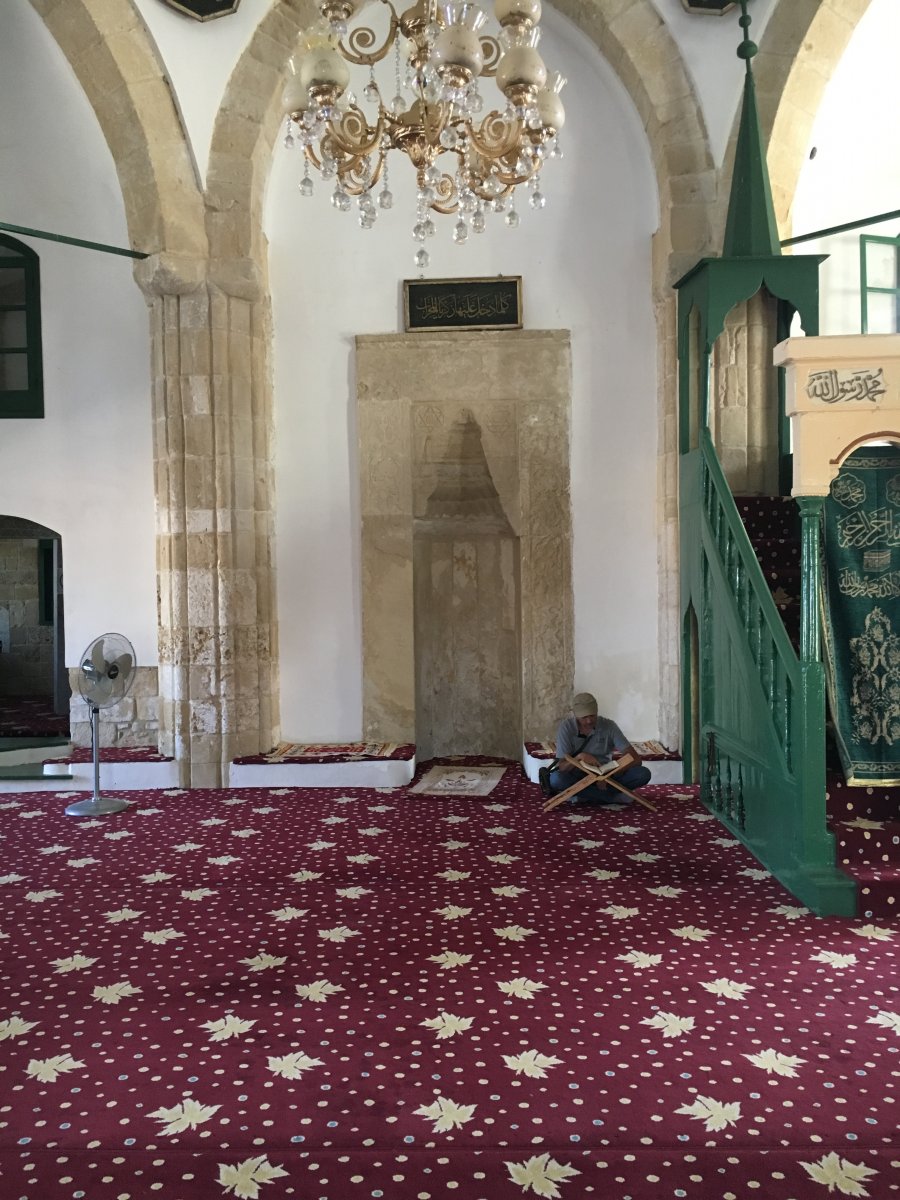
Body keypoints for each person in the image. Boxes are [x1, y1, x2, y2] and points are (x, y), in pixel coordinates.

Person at [546, 692, 651, 808]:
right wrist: (579, 757)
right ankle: (611, 797)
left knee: (643, 774)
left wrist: (607, 775)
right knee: (556, 779)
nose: (589, 721)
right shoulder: (566, 727)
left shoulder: (609, 726)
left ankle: (584, 795)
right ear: (575, 715)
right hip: (579, 777)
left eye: (592, 716)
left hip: (607, 777)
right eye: (584, 717)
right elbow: (562, 767)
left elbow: (635, 758)